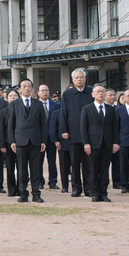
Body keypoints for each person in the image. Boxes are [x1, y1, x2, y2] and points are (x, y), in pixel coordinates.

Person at [9, 79, 47, 203]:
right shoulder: (14, 104)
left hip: (35, 140)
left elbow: (43, 124)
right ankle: (23, 193)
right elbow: (11, 124)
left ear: (32, 88)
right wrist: (12, 141)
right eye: (24, 86)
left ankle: (36, 193)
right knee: (22, 169)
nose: (26, 88)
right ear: (20, 89)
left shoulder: (38, 104)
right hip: (20, 140)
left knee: (35, 168)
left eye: (29, 86)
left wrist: (43, 141)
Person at [79, 84, 119, 203]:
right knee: (93, 169)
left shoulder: (111, 109)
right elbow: (83, 127)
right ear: (93, 94)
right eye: (98, 92)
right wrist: (86, 143)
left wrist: (116, 142)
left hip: (107, 143)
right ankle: (95, 193)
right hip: (93, 143)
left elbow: (115, 127)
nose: (101, 93)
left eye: (102, 91)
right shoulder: (87, 109)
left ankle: (104, 193)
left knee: (105, 169)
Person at [58, 68, 94, 197]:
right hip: (73, 132)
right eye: (77, 77)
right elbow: (63, 113)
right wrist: (64, 130)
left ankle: (89, 188)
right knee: (75, 163)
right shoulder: (67, 94)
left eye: (81, 77)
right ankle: (76, 188)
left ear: (85, 79)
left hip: (89, 133)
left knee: (88, 163)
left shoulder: (91, 92)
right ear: (73, 80)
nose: (79, 79)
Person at [114, 90, 129, 192]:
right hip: (123, 140)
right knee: (123, 164)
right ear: (124, 98)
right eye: (128, 95)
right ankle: (125, 185)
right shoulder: (118, 110)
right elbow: (116, 126)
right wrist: (116, 141)